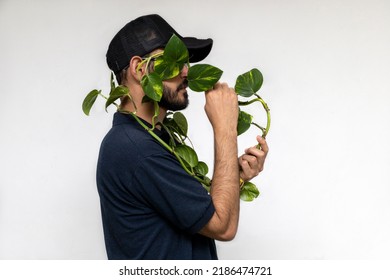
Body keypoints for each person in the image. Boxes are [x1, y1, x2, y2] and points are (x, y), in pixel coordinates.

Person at [96, 14, 269, 260]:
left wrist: (236, 176)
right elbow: (223, 226)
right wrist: (225, 128)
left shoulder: (151, 137)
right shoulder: (136, 149)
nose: (186, 72)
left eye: (185, 62)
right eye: (175, 62)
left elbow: (200, 213)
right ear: (139, 68)